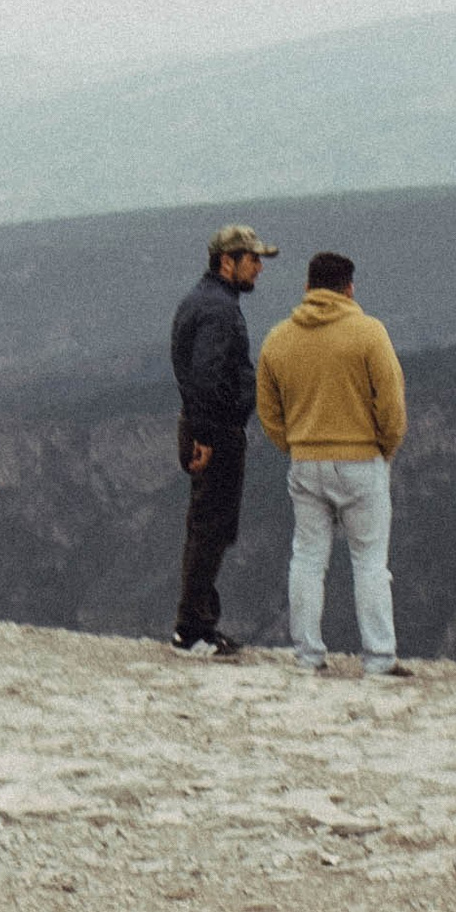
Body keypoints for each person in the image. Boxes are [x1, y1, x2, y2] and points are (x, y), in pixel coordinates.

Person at [255, 249, 409, 676]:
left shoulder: (278, 338)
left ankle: (308, 655)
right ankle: (379, 659)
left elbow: (267, 409)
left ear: (307, 288)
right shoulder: (369, 333)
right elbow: (392, 404)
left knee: (306, 558)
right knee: (369, 562)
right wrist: (384, 448)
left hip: (305, 461)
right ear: (350, 288)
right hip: (362, 459)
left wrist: (294, 444)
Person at [168, 222, 276, 656]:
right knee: (210, 529)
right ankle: (191, 631)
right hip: (216, 434)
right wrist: (208, 435)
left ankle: (199, 624)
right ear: (227, 261)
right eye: (253, 260)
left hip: (205, 427)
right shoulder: (218, 310)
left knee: (207, 528)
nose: (259, 269)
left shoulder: (205, 300)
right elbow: (207, 376)